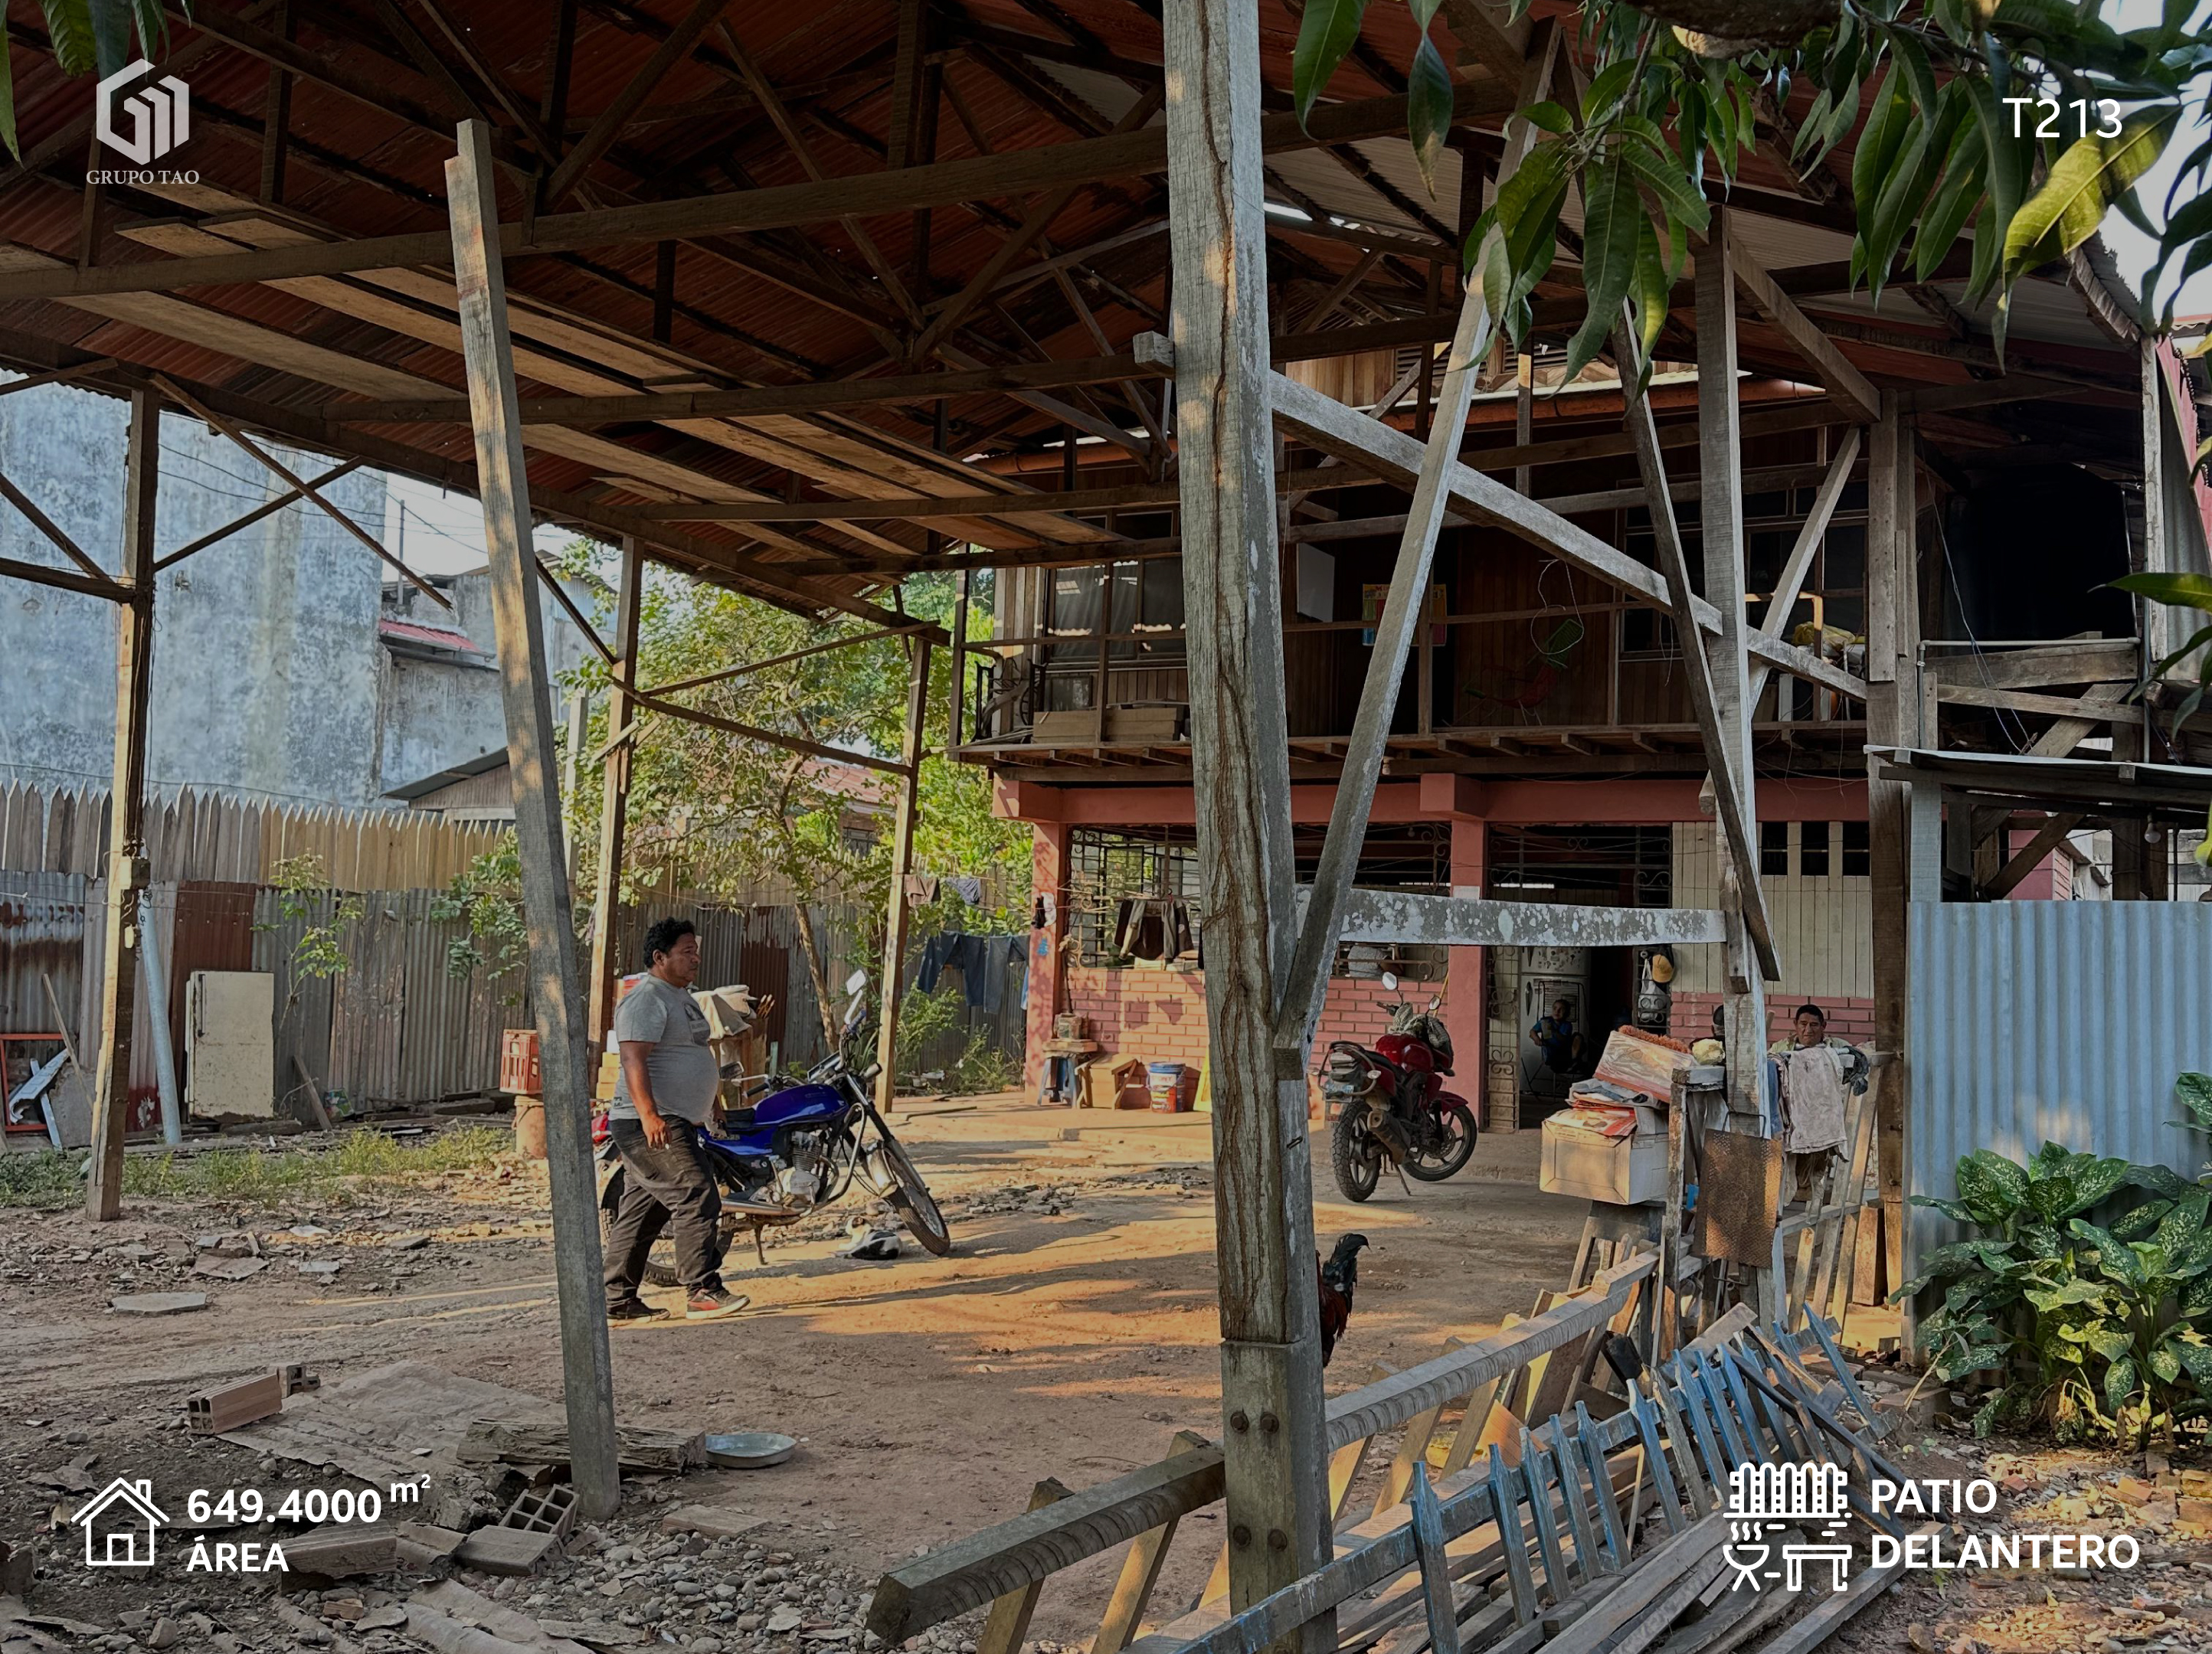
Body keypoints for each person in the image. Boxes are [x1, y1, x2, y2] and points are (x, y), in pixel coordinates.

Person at [602, 918, 751, 1323]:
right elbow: (633, 1059)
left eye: (696, 951)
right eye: (687, 952)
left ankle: (617, 1299)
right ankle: (702, 1290)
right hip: (650, 1122)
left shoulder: (682, 997)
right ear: (660, 957)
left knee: (643, 1213)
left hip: (673, 1118)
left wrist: (712, 1102)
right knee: (697, 1193)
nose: (696, 959)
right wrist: (649, 1115)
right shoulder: (646, 998)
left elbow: (694, 1053)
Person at [1766, 1001, 1870, 1094]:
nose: (1808, 1030)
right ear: (1796, 1024)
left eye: (1814, 1025)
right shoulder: (1780, 1048)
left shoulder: (1839, 1046)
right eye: (1803, 1024)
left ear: (1823, 1026)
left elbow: (1863, 1060)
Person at [1530, 998, 1578, 1074]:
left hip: (1565, 1051)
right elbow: (1532, 1031)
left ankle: (1574, 1061)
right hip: (1551, 1053)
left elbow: (1564, 1040)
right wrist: (1536, 1039)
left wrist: (1553, 1031)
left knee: (1578, 1037)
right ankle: (1567, 1066)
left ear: (1567, 1013)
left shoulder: (1567, 1025)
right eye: (1555, 1008)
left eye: (1561, 1009)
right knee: (1556, 1057)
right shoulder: (1546, 1021)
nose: (1557, 1011)